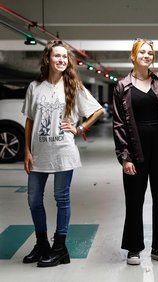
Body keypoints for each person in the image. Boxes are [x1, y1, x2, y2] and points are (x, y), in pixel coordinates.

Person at [22, 40, 104, 267]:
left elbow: (98, 110)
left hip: (64, 151)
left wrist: (80, 128)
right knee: (33, 199)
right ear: (47, 59)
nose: (61, 60)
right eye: (56, 56)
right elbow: (29, 120)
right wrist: (27, 150)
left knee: (61, 199)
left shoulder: (73, 86)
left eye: (64, 57)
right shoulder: (34, 87)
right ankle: (42, 244)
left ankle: (59, 248)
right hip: (39, 153)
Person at [112, 38, 158, 265]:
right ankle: (134, 248)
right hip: (135, 147)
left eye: (150, 53)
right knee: (134, 198)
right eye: (141, 52)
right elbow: (118, 123)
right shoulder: (122, 86)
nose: (146, 56)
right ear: (133, 56)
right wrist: (124, 157)